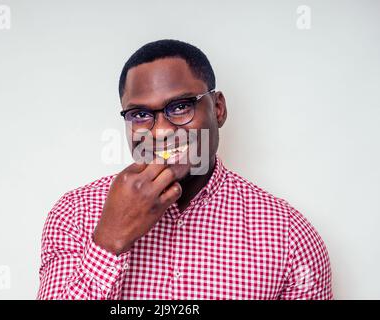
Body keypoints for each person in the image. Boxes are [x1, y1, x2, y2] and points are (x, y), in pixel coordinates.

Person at [37, 39, 333, 300]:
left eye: (180, 107)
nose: (162, 132)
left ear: (218, 109)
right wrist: (108, 241)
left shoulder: (290, 238)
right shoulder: (74, 214)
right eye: (140, 114)